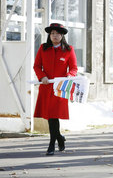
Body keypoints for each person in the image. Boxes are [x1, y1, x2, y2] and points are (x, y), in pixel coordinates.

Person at [34, 23, 78, 156]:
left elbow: (74, 68)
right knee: (50, 116)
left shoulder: (68, 49)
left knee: (54, 116)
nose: (55, 36)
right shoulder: (43, 48)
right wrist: (42, 77)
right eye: (52, 33)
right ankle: (59, 137)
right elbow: (36, 66)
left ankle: (52, 143)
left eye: (57, 33)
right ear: (49, 35)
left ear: (62, 35)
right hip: (46, 87)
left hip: (60, 88)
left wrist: (68, 77)